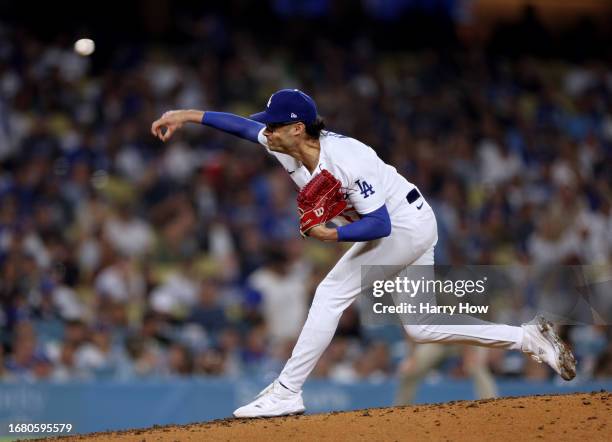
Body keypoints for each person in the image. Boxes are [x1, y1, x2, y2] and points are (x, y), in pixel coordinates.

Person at [151, 88, 576, 418]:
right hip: (409, 220)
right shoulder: (286, 143)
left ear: (297, 128)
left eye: (274, 126)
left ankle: (286, 391)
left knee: (330, 293)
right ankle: (529, 337)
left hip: (403, 225)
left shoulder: (347, 159)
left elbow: (381, 226)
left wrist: (331, 237)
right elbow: (242, 127)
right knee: (423, 328)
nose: (266, 131)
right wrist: (187, 116)